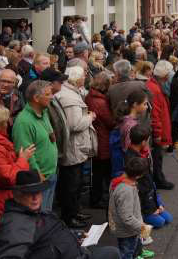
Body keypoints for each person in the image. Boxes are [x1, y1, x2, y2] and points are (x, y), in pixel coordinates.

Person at [0, 169, 120, 259]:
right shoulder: (16, 224)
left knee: (111, 252)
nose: (35, 198)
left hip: (76, 250)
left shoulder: (35, 212)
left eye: (38, 192)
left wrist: (75, 234)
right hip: (73, 254)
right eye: (29, 194)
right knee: (112, 253)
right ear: (17, 196)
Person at [55, 65, 96, 228]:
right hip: (73, 146)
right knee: (71, 184)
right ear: (78, 79)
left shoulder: (70, 92)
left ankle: (74, 212)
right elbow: (75, 124)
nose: (85, 77)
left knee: (75, 183)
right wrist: (90, 117)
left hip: (75, 145)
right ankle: (69, 216)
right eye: (83, 76)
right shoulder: (69, 97)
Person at [12, 79, 59, 212]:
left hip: (50, 174)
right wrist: (38, 175)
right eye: (48, 94)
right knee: (40, 218)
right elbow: (25, 153)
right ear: (36, 98)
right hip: (39, 180)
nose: (52, 97)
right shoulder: (23, 122)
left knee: (47, 213)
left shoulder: (44, 113)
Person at [126, 125, 173, 230]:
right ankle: (145, 217)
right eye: (147, 140)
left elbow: (150, 185)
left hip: (150, 194)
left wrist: (158, 204)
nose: (148, 143)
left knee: (168, 219)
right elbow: (139, 192)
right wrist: (150, 210)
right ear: (143, 142)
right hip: (144, 202)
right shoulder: (132, 161)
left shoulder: (142, 153)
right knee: (161, 222)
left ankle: (154, 210)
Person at [109, 157, 152, 259]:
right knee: (127, 252)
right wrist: (141, 226)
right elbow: (127, 217)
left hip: (128, 227)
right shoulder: (126, 191)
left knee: (133, 246)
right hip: (127, 231)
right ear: (138, 175)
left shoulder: (119, 180)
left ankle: (138, 253)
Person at [85, 71, 115, 209]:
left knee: (98, 171)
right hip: (102, 139)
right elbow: (110, 122)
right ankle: (97, 199)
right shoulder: (100, 102)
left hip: (97, 136)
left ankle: (97, 197)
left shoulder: (90, 96)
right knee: (101, 172)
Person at [148, 61, 174, 189]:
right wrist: (158, 133)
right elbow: (155, 114)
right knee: (157, 157)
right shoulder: (156, 90)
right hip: (157, 130)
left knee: (157, 157)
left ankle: (158, 178)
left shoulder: (154, 86)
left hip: (158, 127)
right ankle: (158, 180)